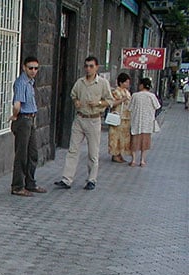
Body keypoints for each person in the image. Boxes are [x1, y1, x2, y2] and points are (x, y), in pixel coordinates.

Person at [55, 56, 114, 191]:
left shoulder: (102, 83)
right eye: (86, 66)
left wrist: (98, 103)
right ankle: (67, 179)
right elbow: (73, 94)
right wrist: (76, 101)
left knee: (93, 152)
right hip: (80, 118)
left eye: (91, 66)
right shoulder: (80, 82)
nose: (88, 69)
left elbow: (110, 100)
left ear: (97, 67)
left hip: (94, 119)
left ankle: (91, 179)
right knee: (73, 150)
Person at [8, 56, 46, 197]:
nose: (33, 71)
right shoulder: (21, 83)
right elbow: (17, 104)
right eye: (30, 68)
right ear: (24, 67)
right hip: (23, 119)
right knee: (21, 155)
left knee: (32, 153)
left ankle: (30, 183)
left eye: (36, 68)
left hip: (31, 118)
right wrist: (14, 115)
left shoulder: (30, 82)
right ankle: (17, 186)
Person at [128, 78, 161, 167]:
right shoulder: (152, 96)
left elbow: (130, 108)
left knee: (134, 141)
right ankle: (142, 161)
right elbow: (157, 107)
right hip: (147, 123)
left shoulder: (135, 95)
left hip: (136, 121)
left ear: (142, 85)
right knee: (145, 142)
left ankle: (133, 160)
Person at [108, 73, 132, 164]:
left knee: (123, 137)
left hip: (126, 117)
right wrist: (123, 99)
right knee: (115, 137)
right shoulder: (116, 92)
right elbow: (112, 103)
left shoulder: (127, 92)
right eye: (126, 82)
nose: (127, 84)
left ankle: (120, 153)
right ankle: (115, 154)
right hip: (117, 116)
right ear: (121, 82)